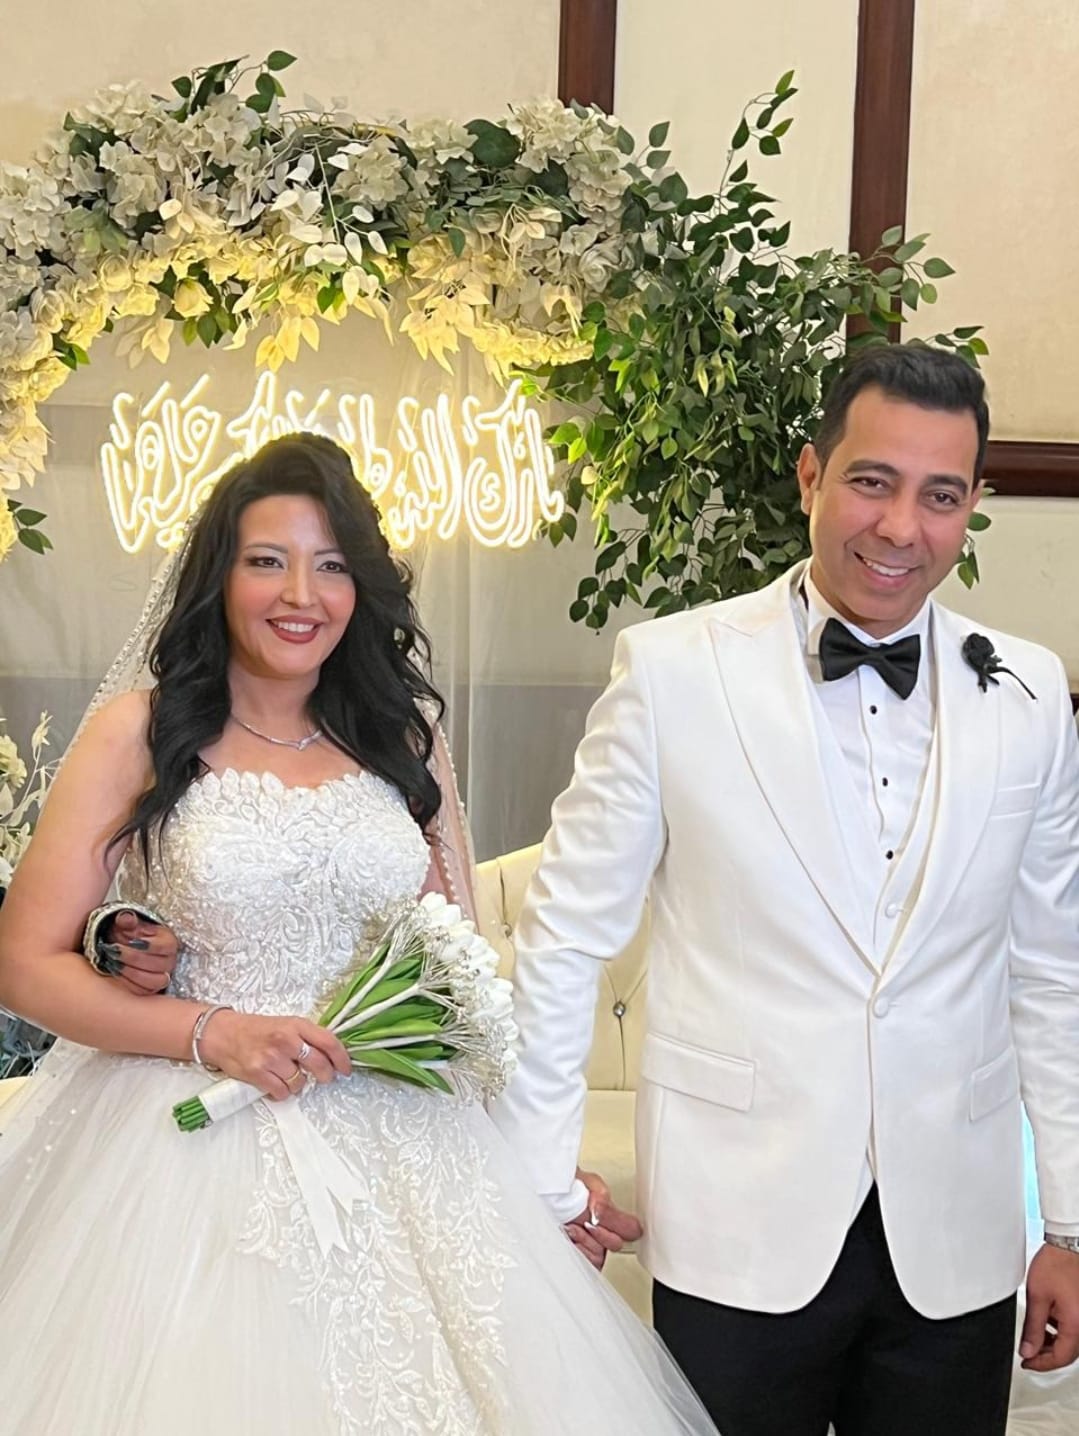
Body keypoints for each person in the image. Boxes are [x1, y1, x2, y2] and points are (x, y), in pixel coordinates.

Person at [0, 434, 716, 1435]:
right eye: (268, 560)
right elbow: (23, 961)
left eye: (331, 565)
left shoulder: (402, 737)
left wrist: (541, 1176)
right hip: (185, 1121)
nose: (301, 594)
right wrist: (212, 1029)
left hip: (403, 1128)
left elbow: (454, 978)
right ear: (220, 575)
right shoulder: (141, 730)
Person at [490, 346, 1079, 1436]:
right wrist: (536, 1183)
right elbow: (565, 936)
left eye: (939, 495)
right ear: (810, 475)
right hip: (736, 1220)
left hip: (956, 1234)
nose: (899, 527)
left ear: (970, 506)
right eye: (871, 481)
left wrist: (1071, 1226)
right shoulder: (671, 670)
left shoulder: (1030, 689)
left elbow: (1052, 969)